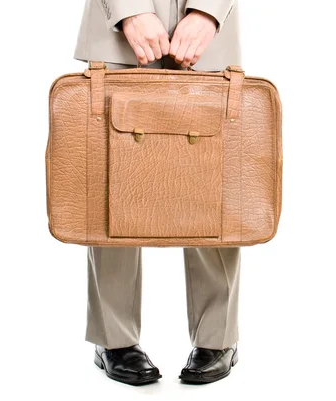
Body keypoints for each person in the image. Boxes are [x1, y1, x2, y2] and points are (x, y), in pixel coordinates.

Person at [73, 0, 242, 385]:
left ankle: (217, 336)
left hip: (208, 34)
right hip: (114, 26)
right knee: (113, 182)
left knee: (211, 181)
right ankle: (114, 338)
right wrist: (127, 8)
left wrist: (209, 11)